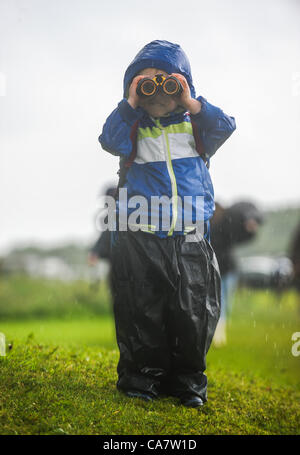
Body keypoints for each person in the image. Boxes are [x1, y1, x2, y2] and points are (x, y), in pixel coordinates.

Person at [98, 40, 236, 407]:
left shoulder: (196, 126)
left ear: (183, 84)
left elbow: (225, 126)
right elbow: (108, 139)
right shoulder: (132, 128)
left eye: (167, 81)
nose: (157, 89)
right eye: (146, 83)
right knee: (142, 309)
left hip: (190, 236)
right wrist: (130, 104)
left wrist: (192, 102)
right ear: (133, 88)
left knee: (193, 312)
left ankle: (188, 382)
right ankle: (141, 378)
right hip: (142, 235)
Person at [210, 201, 263, 346]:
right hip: (220, 269)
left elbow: (246, 234)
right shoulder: (216, 227)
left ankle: (219, 331)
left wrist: (249, 226)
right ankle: (218, 334)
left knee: (225, 302)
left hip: (228, 269)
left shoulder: (228, 225)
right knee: (222, 301)